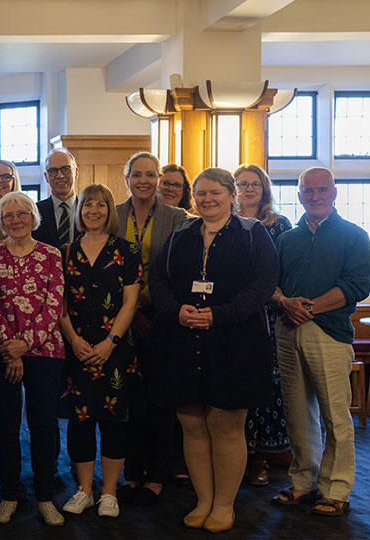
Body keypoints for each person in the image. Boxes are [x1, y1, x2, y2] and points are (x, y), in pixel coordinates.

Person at [149, 168, 279, 533]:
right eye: (201, 193)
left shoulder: (254, 235)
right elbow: (157, 279)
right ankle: (203, 499)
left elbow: (263, 284)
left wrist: (220, 315)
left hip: (234, 341)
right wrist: (176, 310)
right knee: (191, 423)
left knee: (225, 424)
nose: (207, 199)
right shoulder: (180, 233)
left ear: (231, 194)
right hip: (182, 338)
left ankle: (224, 504)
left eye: (215, 193)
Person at [271, 166, 370, 517]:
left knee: (335, 416)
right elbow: (270, 283)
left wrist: (309, 308)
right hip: (287, 330)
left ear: (334, 193)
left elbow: (356, 285)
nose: (314, 196)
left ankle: (336, 488)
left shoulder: (354, 236)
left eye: (321, 190)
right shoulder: (286, 239)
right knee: (298, 414)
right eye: (307, 191)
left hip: (329, 332)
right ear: (299, 196)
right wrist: (285, 302)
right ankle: (303, 482)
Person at [0, 192, 66, 527]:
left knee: (43, 424)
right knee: (4, 425)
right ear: (1, 222)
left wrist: (24, 344)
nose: (16, 220)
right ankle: (9, 493)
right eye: (9, 215)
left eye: (22, 213)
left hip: (44, 350)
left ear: (33, 216)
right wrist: (9, 347)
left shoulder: (51, 254)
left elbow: (53, 305)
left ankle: (46, 496)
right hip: (0, 351)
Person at [58, 184, 141, 519]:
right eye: (87, 205)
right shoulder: (65, 252)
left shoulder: (127, 250)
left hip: (115, 349)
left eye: (101, 205)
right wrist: (74, 340)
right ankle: (84, 491)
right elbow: (59, 303)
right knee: (80, 422)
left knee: (113, 422)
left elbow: (131, 301)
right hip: (76, 348)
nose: (93, 210)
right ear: (80, 211)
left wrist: (111, 342)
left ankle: (108, 493)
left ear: (111, 211)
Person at [114, 152, 191, 505]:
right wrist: (130, 313)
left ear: (159, 178)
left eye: (150, 174)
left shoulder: (178, 218)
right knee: (127, 400)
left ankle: (157, 473)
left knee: (159, 399)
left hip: (162, 320)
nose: (143, 180)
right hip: (117, 321)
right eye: (136, 174)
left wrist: (147, 306)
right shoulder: (112, 214)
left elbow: (180, 271)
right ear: (126, 177)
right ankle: (131, 471)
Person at [234, 164, 292, 486]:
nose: (249, 188)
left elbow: (282, 272)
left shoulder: (279, 225)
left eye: (255, 183)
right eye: (242, 183)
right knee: (235, 386)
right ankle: (235, 456)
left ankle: (260, 459)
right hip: (234, 316)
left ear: (265, 188)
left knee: (266, 387)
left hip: (270, 316)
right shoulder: (226, 223)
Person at [34, 149, 79, 248]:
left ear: (76, 172)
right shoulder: (34, 212)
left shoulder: (89, 211)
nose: (60, 175)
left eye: (65, 168)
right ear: (46, 177)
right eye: (53, 171)